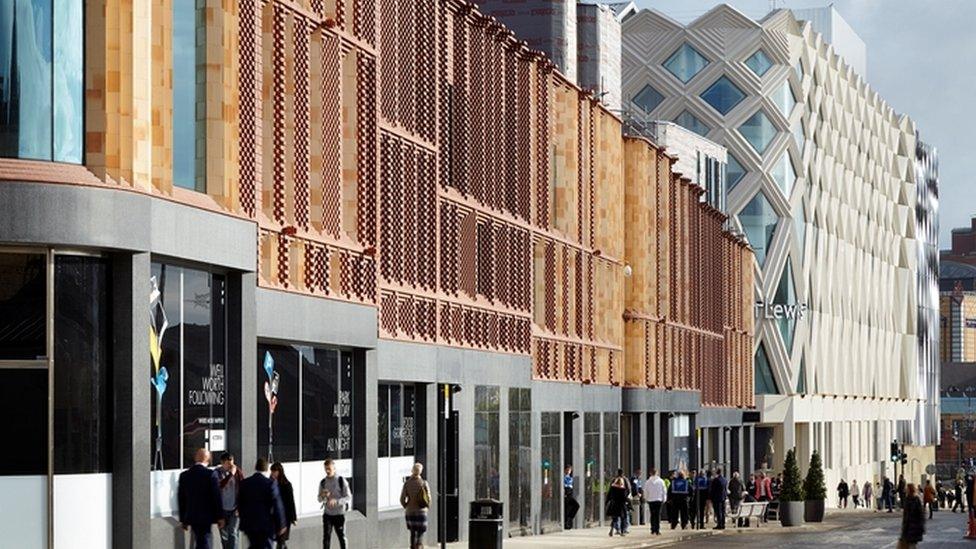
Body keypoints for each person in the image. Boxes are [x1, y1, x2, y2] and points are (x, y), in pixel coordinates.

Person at [178, 448, 224, 549]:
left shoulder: (185, 475)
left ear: (195, 458)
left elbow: (181, 498)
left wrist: (183, 518)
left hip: (192, 514)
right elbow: (216, 496)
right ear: (208, 459)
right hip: (206, 515)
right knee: (205, 540)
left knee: (200, 539)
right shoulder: (211, 474)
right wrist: (220, 516)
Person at [237, 458, 286, 549]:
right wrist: (281, 524)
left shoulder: (245, 483)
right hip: (265, 525)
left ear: (256, 467)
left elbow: (240, 503)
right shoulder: (270, 484)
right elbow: (277, 506)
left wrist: (243, 517)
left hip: (249, 524)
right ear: (267, 469)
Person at [318, 459, 352, 549]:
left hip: (339, 514)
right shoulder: (323, 482)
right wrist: (322, 495)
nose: (327, 471)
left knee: (341, 537)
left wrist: (337, 501)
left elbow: (348, 497)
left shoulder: (341, 480)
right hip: (327, 514)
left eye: (329, 469)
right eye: (326, 469)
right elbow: (319, 499)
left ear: (334, 469)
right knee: (326, 538)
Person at [216, 452, 245, 549]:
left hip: (234, 509)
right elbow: (220, 485)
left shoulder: (238, 472)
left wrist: (240, 507)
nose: (231, 466)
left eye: (232, 463)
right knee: (224, 536)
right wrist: (230, 475)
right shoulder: (217, 473)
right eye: (228, 464)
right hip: (222, 509)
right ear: (222, 463)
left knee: (233, 533)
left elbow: (243, 489)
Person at [400, 462, 431, 549]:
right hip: (421, 511)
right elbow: (428, 497)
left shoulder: (407, 484)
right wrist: (427, 507)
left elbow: (402, 499)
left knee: (412, 532)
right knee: (421, 532)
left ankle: (413, 546)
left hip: (410, 511)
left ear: (412, 471)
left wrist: (406, 506)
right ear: (420, 472)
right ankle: (419, 545)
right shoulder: (424, 483)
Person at [270, 463, 297, 548]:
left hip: (285, 517)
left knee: (281, 540)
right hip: (274, 517)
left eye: (274, 471)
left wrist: (293, 517)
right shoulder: (271, 484)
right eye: (271, 471)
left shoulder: (286, 485)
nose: (272, 473)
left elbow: (291, 501)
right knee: (279, 540)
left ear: (279, 472)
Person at [898, 483, 925, 549]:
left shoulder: (914, 499)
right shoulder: (909, 499)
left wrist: (921, 526)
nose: (906, 490)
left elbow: (920, 514)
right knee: (911, 545)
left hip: (913, 527)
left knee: (912, 545)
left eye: (907, 489)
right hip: (910, 527)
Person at [643, 468, 667, 536]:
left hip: (651, 500)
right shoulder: (661, 481)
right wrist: (664, 499)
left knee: (652, 515)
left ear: (650, 473)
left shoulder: (648, 482)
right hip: (658, 500)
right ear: (657, 473)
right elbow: (664, 491)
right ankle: (657, 529)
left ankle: (653, 529)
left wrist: (646, 498)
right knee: (658, 515)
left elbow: (645, 491)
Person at [606, 470, 629, 537]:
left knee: (614, 519)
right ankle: (622, 532)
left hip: (614, 504)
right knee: (623, 518)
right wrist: (629, 502)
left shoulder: (612, 488)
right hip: (621, 505)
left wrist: (607, 502)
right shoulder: (623, 489)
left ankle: (611, 530)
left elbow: (609, 495)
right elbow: (625, 497)